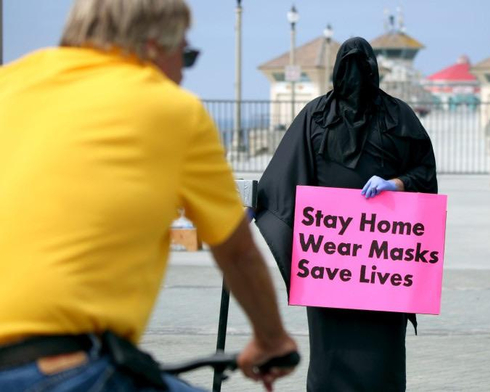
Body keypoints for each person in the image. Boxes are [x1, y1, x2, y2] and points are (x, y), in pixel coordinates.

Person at [0, 0, 297, 391]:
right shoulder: (172, 110)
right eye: (186, 56)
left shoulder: (10, 81)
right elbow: (237, 252)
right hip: (60, 367)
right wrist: (272, 341)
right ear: (155, 44)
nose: (182, 74)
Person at [255, 37, 437, 391]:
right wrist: (258, 202)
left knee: (380, 356)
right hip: (331, 262)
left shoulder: (397, 115)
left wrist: (395, 184)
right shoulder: (316, 115)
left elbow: (424, 173)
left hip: (382, 263)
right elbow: (285, 175)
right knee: (330, 355)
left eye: (361, 71)